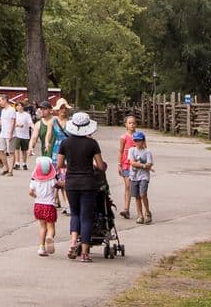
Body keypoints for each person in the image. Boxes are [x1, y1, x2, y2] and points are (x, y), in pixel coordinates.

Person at [58, 111, 106, 262]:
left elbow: (60, 165)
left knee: (75, 213)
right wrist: (100, 166)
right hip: (88, 183)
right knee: (86, 218)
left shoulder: (65, 143)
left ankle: (73, 241)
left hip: (71, 182)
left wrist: (71, 165)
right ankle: (85, 253)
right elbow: (100, 165)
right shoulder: (92, 144)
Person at [29, 155, 61, 257]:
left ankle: (41, 247)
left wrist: (36, 196)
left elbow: (30, 192)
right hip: (49, 205)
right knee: (50, 226)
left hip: (38, 204)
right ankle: (50, 237)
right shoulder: (52, 181)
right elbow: (59, 185)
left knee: (42, 227)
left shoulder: (34, 181)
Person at [127, 131, 154, 224]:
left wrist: (146, 165)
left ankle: (147, 211)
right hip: (134, 176)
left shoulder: (147, 152)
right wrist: (143, 165)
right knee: (137, 196)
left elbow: (149, 163)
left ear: (143, 141)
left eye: (140, 140)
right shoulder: (132, 150)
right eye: (136, 140)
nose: (137, 142)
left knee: (143, 194)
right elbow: (132, 162)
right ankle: (140, 215)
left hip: (144, 176)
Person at [117, 114, 138, 220]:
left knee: (137, 188)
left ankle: (141, 211)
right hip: (126, 164)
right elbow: (120, 151)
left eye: (134, 123)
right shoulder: (124, 137)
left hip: (137, 165)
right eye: (130, 123)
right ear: (126, 125)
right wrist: (119, 164)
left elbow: (144, 148)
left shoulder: (139, 136)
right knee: (128, 186)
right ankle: (126, 209)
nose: (132, 125)